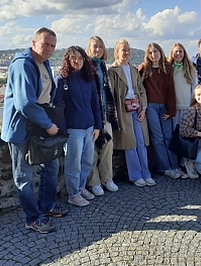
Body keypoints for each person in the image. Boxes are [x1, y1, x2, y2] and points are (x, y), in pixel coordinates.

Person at [0, 27, 63, 234]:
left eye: (53, 45)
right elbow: (25, 103)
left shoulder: (44, 63)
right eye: (46, 44)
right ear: (34, 43)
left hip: (39, 124)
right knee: (24, 175)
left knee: (51, 166)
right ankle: (33, 218)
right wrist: (48, 125)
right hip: (22, 129)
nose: (49, 49)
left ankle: (46, 206)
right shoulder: (23, 64)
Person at [53, 46, 102, 208]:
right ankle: (73, 194)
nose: (77, 61)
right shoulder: (61, 80)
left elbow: (96, 103)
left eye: (80, 58)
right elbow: (57, 107)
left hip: (89, 127)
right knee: (73, 163)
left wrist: (98, 126)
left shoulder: (89, 78)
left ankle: (80, 188)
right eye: (73, 58)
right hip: (73, 129)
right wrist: (63, 130)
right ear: (67, 60)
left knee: (87, 161)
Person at [108, 39, 154, 187]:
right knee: (130, 144)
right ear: (117, 52)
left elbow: (141, 90)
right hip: (123, 111)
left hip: (137, 108)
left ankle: (146, 173)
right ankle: (135, 175)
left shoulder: (134, 70)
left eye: (128, 50)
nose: (126, 52)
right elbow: (112, 95)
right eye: (123, 50)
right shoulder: (113, 71)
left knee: (141, 142)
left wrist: (144, 108)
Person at [139, 43, 184, 179]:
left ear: (160, 52)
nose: (154, 55)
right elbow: (138, 88)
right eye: (151, 52)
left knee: (169, 137)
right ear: (148, 55)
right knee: (158, 138)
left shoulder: (166, 68)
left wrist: (171, 110)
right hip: (151, 106)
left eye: (156, 52)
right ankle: (164, 167)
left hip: (164, 107)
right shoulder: (144, 69)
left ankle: (174, 166)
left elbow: (171, 89)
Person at [86, 35, 119, 195]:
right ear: (89, 48)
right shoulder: (86, 67)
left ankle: (107, 178)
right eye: (95, 46)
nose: (98, 49)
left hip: (106, 113)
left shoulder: (103, 66)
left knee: (108, 147)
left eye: (100, 46)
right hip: (92, 116)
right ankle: (94, 182)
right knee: (92, 150)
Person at [168, 42, 198, 129]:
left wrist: (193, 105)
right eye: (176, 51)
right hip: (172, 107)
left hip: (186, 107)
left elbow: (195, 89)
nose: (178, 54)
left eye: (180, 51)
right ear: (172, 53)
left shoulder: (190, 70)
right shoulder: (168, 69)